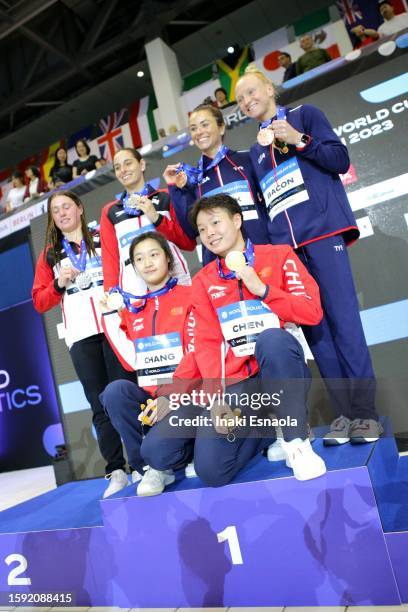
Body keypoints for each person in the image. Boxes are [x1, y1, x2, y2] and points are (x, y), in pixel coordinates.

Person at [235, 65, 382, 445]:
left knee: (345, 325)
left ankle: (366, 414)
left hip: (323, 235)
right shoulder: (255, 149)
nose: (248, 101)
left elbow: (339, 160)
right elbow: (267, 205)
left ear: (270, 89)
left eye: (252, 92)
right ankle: (345, 415)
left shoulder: (306, 116)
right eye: (240, 100)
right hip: (289, 251)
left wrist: (300, 139)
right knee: (316, 333)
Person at [141, 194, 326, 486]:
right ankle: (264, 433)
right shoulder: (203, 281)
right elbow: (206, 344)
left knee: (272, 340)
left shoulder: (278, 256)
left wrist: (264, 290)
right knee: (211, 471)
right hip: (238, 385)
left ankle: (296, 442)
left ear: (237, 220)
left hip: (279, 369)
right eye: (202, 229)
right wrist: (214, 398)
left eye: (215, 222)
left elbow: (312, 312)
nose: (209, 233)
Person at [32, 190, 138, 499]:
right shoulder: (50, 254)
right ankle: (117, 470)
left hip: (114, 327)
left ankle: (144, 461)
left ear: (79, 208)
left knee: (128, 394)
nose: (62, 213)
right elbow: (39, 300)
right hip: (81, 334)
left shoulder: (101, 235)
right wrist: (58, 284)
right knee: (100, 403)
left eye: (67, 206)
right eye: (56, 211)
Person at [100, 231, 196, 496]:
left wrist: (170, 396)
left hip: (189, 395)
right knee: (115, 392)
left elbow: (198, 354)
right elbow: (130, 362)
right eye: (139, 259)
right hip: (153, 402)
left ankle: (185, 452)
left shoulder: (192, 295)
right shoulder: (135, 310)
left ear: (167, 257)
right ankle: (149, 468)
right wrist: (110, 314)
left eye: (154, 254)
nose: (148, 263)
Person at [162, 104, 271, 266]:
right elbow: (190, 230)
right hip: (220, 269)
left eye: (205, 124)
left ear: (221, 127)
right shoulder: (192, 179)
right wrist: (175, 189)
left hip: (262, 255)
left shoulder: (248, 159)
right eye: (193, 128)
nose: (199, 132)